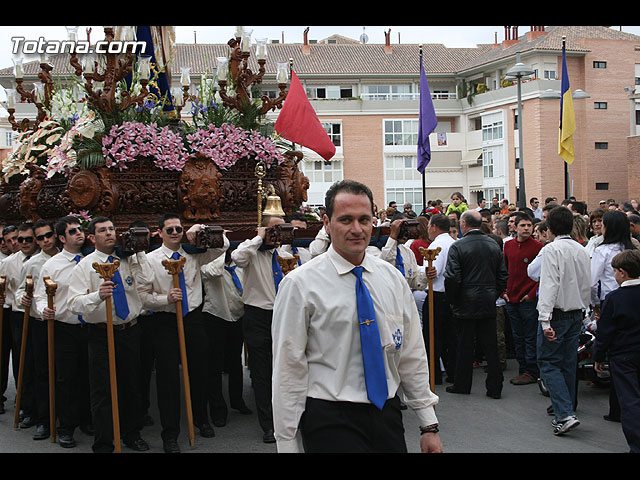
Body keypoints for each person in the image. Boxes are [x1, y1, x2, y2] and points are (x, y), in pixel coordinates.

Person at [272, 180, 442, 453]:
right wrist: (287, 442)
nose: (356, 229)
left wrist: (428, 424)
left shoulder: (392, 279)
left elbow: (410, 353)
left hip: (386, 413)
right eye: (346, 219)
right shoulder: (299, 285)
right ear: (327, 223)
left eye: (364, 219)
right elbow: (288, 368)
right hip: (330, 418)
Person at [139, 214, 228, 453]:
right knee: (168, 378)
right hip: (165, 321)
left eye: (179, 228)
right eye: (170, 230)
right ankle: (170, 433)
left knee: (200, 371)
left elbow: (221, 247)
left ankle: (200, 419)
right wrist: (163, 299)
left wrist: (200, 230)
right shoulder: (150, 260)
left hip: (192, 318)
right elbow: (142, 296)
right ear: (159, 233)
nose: (175, 232)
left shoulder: (193, 254)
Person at [68, 216, 152, 453]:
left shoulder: (127, 259)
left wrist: (139, 254)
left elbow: (149, 280)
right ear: (93, 237)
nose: (109, 234)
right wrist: (97, 295)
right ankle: (104, 441)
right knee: (102, 390)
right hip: (101, 333)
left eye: (112, 229)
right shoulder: (85, 266)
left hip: (130, 330)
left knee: (131, 386)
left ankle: (131, 434)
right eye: (103, 230)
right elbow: (74, 303)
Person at [231, 214, 294, 444]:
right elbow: (237, 257)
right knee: (262, 371)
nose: (278, 233)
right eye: (273, 229)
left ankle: (285, 418)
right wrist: (258, 238)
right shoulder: (251, 253)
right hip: (258, 316)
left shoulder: (284, 255)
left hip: (282, 315)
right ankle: (268, 424)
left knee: (285, 368)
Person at [33, 216, 92, 448]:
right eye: (73, 231)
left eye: (80, 229)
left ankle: (87, 419)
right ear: (61, 238)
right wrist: (43, 309)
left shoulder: (91, 259)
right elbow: (39, 295)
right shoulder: (52, 265)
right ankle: (66, 426)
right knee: (66, 378)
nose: (79, 233)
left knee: (89, 375)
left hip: (89, 325)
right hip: (65, 327)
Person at [536, 206, 591, 436]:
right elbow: (586, 283)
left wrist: (544, 320)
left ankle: (565, 413)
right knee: (568, 363)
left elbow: (549, 284)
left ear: (549, 228)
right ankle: (568, 407)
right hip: (576, 311)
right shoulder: (581, 249)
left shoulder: (551, 250)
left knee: (548, 362)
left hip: (557, 313)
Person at [444, 210, 508, 398]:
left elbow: (453, 277)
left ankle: (462, 384)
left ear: (464, 224)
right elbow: (502, 275)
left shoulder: (458, 246)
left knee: (465, 345)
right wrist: (492, 294)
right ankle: (495, 387)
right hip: (487, 300)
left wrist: (453, 300)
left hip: (465, 301)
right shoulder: (493, 244)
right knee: (491, 346)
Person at [15, 219, 59, 440]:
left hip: (66, 322)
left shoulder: (73, 256)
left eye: (48, 235)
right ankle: (44, 418)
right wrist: (23, 298)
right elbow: (20, 290)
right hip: (39, 322)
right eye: (39, 238)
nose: (45, 241)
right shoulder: (32, 263)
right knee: (43, 371)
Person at [594, 249, 640, 453]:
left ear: (622, 272)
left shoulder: (614, 298)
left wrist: (598, 356)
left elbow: (605, 332)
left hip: (623, 354)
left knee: (630, 400)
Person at [201, 249, 252, 428]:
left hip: (237, 317)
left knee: (234, 362)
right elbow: (213, 272)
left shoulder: (240, 265)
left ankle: (237, 400)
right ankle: (218, 410)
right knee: (214, 365)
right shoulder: (209, 264)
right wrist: (221, 250)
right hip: (216, 316)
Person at [0, 222, 40, 428]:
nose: (21, 243)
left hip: (40, 315)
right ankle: (25, 404)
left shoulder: (44, 259)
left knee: (40, 363)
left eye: (26, 239)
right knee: (22, 362)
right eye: (19, 239)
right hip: (18, 316)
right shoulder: (8, 263)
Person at [503, 212, 543, 386]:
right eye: (523, 225)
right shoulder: (508, 246)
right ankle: (523, 368)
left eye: (529, 225)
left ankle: (531, 370)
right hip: (511, 298)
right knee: (517, 336)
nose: (527, 228)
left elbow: (542, 275)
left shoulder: (538, 247)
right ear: (514, 227)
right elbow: (504, 270)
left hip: (528, 299)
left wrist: (531, 294)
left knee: (529, 336)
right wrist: (503, 291)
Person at [423, 213, 457, 384]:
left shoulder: (436, 245)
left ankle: (433, 374)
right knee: (450, 337)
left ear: (434, 227)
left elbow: (432, 272)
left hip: (436, 296)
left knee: (432, 338)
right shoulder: (454, 243)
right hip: (452, 296)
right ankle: (452, 372)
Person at [590, 210, 637, 315]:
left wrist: (595, 303)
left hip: (609, 298)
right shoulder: (632, 250)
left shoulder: (602, 251)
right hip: (633, 296)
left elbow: (592, 282)